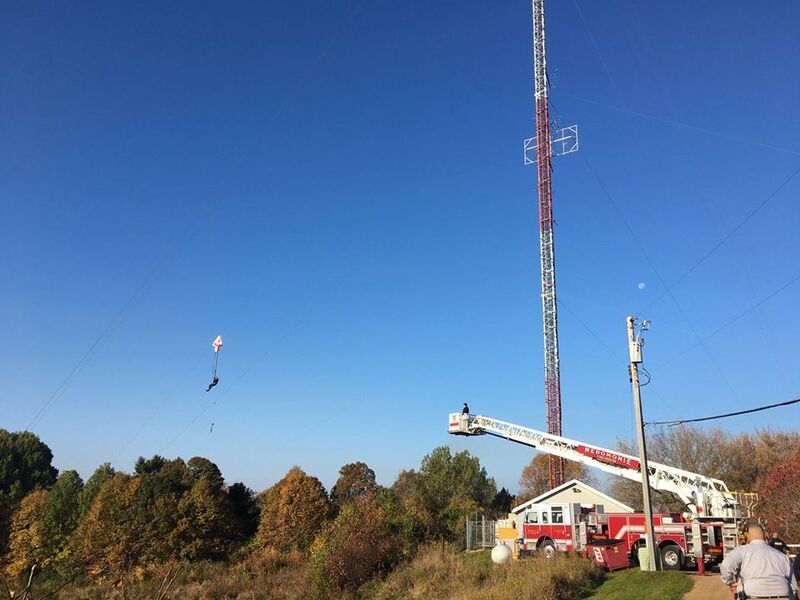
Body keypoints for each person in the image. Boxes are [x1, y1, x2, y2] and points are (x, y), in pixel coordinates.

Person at [720, 522, 797, 600]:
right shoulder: (782, 556)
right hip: (783, 596)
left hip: (753, 595)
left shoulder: (742, 551)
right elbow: (793, 585)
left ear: (748, 536)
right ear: (764, 536)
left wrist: (730, 583)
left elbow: (726, 567)